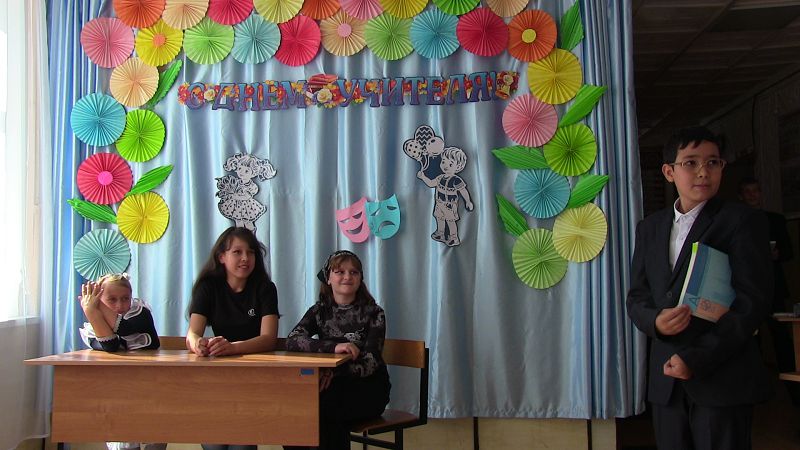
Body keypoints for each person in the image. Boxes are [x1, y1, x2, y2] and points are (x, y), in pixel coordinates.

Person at [626, 126, 774, 449]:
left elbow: (752, 303)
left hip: (722, 377)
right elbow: (637, 296)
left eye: (713, 162)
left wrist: (696, 357)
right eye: (690, 163)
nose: (703, 172)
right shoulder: (650, 228)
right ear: (669, 172)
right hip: (666, 380)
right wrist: (654, 321)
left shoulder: (741, 221)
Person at [285, 250, 391, 450]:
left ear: (360, 278)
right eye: (340, 272)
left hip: (368, 387)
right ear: (328, 278)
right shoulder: (319, 311)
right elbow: (292, 340)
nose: (347, 277)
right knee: (293, 412)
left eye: (354, 272)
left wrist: (333, 371)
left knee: (325, 410)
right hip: (329, 385)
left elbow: (371, 362)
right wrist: (333, 347)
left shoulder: (374, 313)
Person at [186, 226, 280, 450]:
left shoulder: (265, 288)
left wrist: (233, 348)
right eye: (237, 252)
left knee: (242, 444)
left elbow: (269, 338)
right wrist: (198, 344)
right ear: (221, 257)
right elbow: (192, 333)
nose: (245, 258)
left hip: (255, 375)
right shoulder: (208, 287)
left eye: (251, 252)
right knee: (214, 442)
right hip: (218, 376)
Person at [77, 272, 165, 450]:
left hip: (150, 386)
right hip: (118, 389)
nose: (120, 305)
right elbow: (111, 346)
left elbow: (124, 328)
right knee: (123, 439)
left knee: (154, 436)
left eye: (125, 298)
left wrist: (95, 307)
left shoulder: (140, 313)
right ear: (99, 299)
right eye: (112, 299)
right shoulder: (92, 328)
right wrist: (91, 312)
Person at [738, 177, 799, 404]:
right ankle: (755, 390)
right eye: (748, 191)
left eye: (756, 191)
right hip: (747, 288)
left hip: (773, 287)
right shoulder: (738, 221)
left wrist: (776, 254)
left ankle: (794, 391)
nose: (753, 195)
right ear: (741, 196)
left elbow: (789, 252)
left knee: (782, 338)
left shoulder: (776, 220)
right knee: (751, 339)